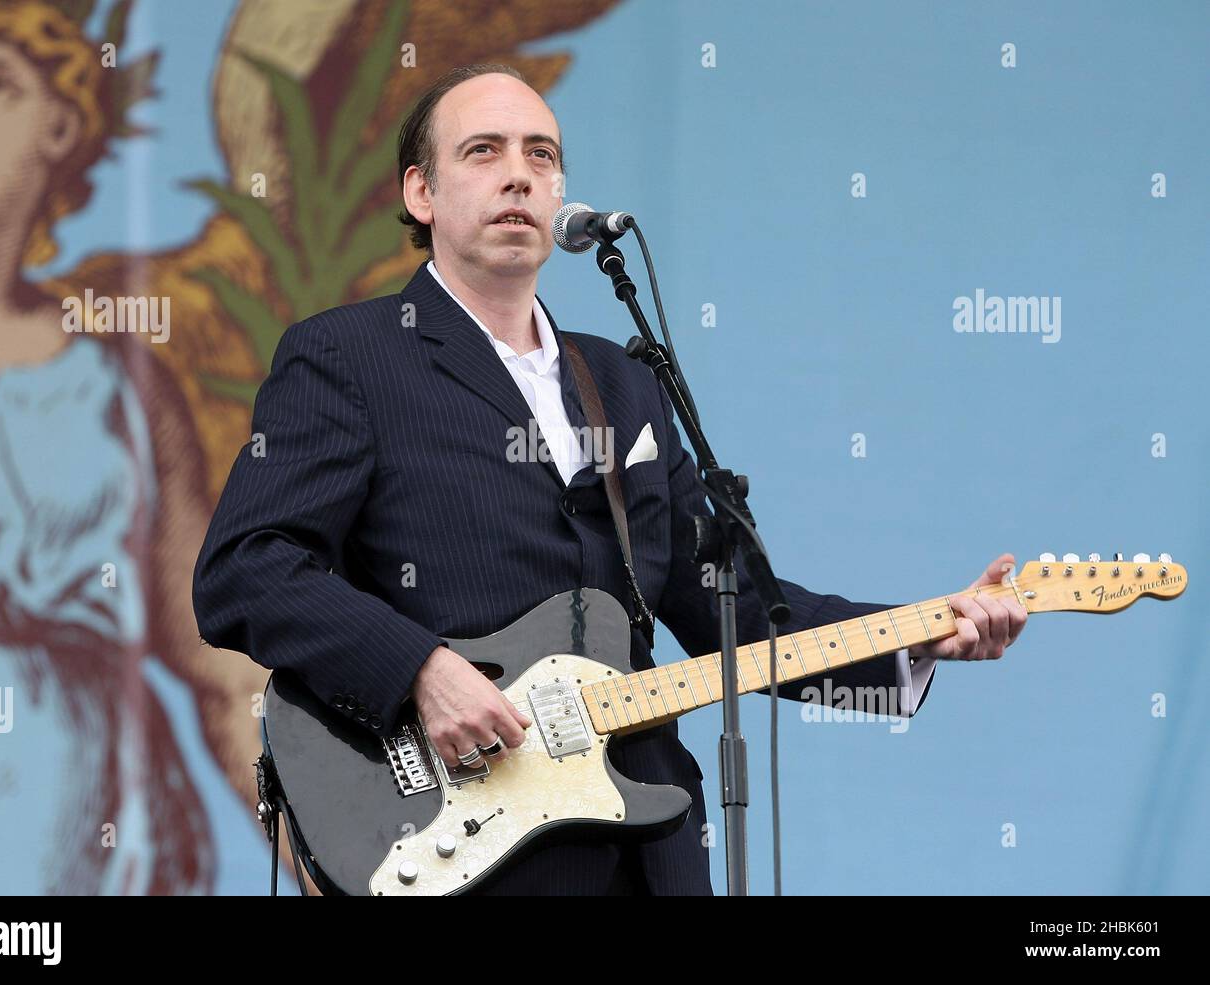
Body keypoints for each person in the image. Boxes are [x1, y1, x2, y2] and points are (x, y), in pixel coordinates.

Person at [192, 63, 1027, 895]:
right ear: (422, 193)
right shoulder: (350, 355)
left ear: (561, 196)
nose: (520, 172)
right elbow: (246, 568)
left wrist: (915, 638)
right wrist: (419, 668)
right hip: (462, 838)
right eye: (484, 151)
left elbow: (723, 601)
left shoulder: (623, 381)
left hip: (648, 837)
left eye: (542, 155)